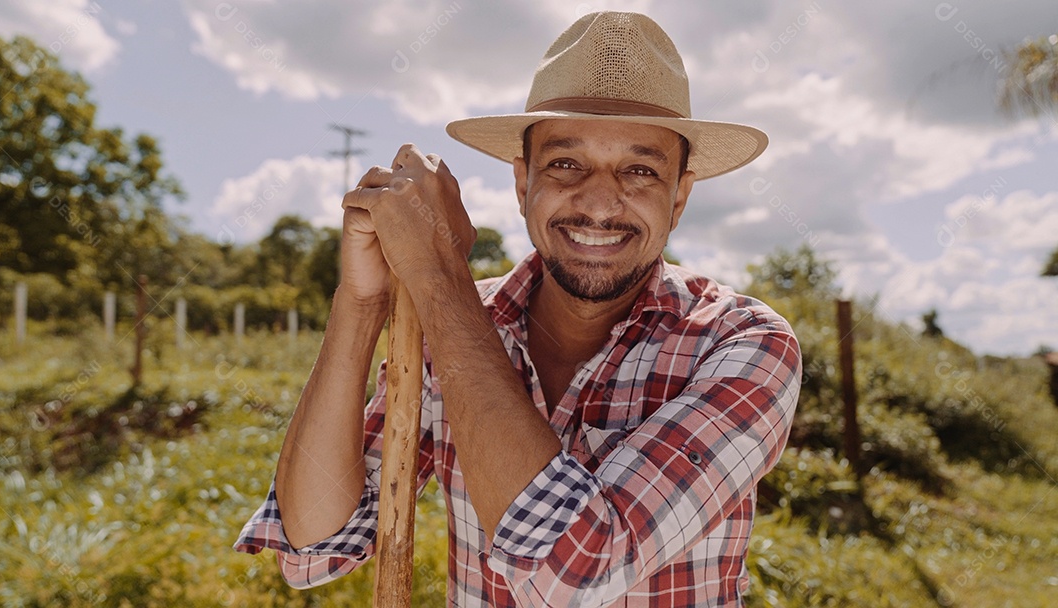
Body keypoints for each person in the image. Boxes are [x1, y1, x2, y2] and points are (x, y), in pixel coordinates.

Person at [235, 11, 801, 607]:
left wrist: (437, 272)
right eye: (565, 164)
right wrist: (363, 301)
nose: (600, 202)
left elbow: (576, 571)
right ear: (522, 180)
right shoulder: (457, 319)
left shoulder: (743, 344)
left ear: (679, 196)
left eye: (639, 170)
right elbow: (315, 544)